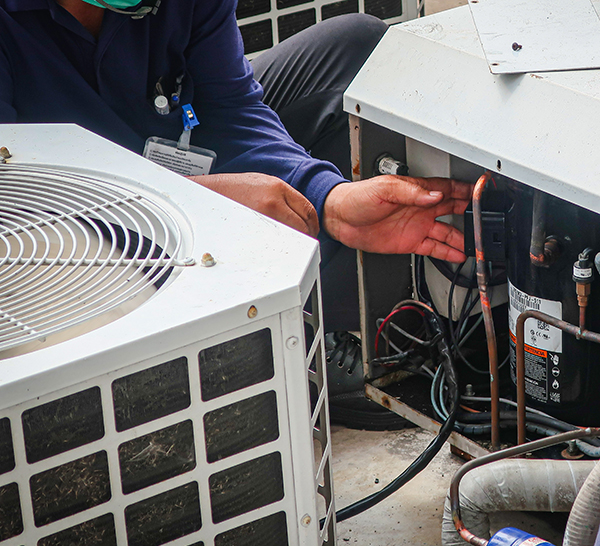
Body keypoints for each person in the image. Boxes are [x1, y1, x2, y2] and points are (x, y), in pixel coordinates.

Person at [0, 0, 473, 426]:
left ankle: (322, 324)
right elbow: (17, 201)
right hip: (56, 218)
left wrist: (327, 199)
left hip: (163, 147)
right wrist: (205, 202)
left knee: (358, 50)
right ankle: (272, 351)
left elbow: (230, 108)